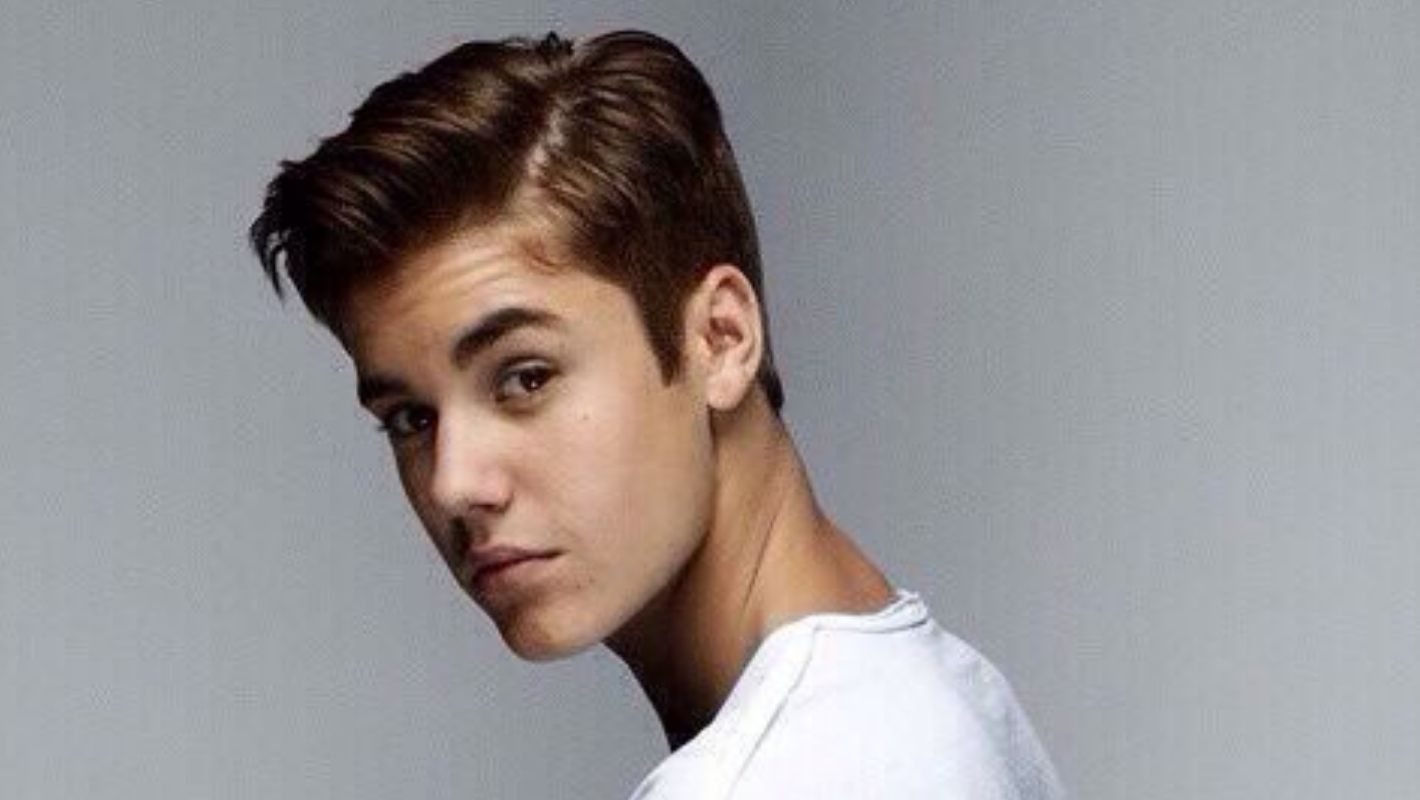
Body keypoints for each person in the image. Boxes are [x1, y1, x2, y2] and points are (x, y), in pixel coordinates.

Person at [249, 29, 1064, 799]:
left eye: (525, 378)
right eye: (410, 419)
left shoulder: (768, 778)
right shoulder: (942, 697)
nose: (454, 484)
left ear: (721, 338)